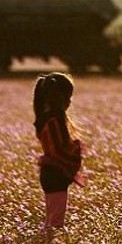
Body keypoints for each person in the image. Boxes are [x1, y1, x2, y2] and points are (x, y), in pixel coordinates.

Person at [32, 72, 85, 232]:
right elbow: (59, 151)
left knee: (51, 216)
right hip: (55, 174)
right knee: (55, 222)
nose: (70, 102)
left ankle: (46, 243)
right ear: (61, 97)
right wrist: (76, 150)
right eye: (69, 97)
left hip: (49, 173)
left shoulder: (44, 118)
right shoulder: (55, 121)